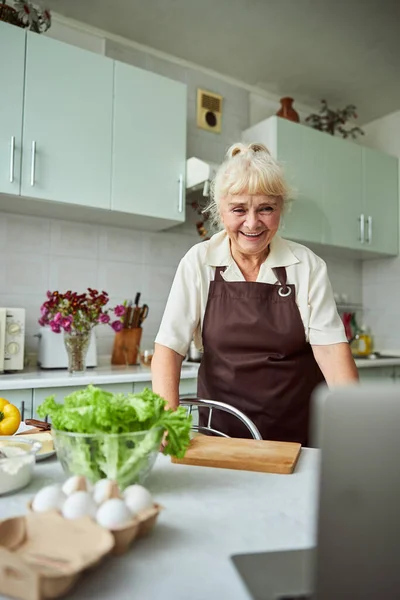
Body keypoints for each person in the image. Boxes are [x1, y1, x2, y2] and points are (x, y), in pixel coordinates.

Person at [151, 142, 358, 444]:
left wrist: (361, 428)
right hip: (222, 434)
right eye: (238, 209)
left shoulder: (307, 266)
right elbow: (168, 349)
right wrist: (166, 422)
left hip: (297, 436)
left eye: (266, 209)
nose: (252, 223)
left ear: (280, 209)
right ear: (220, 210)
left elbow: (331, 352)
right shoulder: (199, 261)